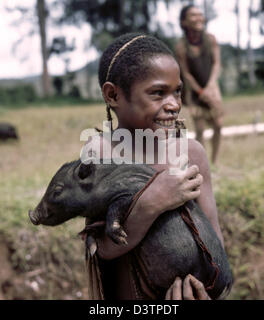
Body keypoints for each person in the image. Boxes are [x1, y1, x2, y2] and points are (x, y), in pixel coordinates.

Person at [84, 33, 224, 300]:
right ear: (113, 95)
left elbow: (215, 244)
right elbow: (102, 248)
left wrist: (206, 293)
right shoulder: (101, 154)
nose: (173, 105)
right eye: (158, 93)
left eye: (177, 92)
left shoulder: (191, 154)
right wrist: (153, 201)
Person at [175, 5, 223, 164]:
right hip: (194, 91)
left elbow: (216, 64)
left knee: (218, 125)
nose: (198, 18)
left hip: (211, 87)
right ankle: (202, 165)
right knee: (200, 129)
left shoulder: (210, 39)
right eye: (193, 15)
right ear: (184, 22)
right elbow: (186, 74)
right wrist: (201, 92)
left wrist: (210, 88)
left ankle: (215, 162)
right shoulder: (181, 46)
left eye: (200, 14)